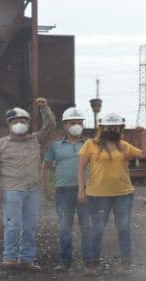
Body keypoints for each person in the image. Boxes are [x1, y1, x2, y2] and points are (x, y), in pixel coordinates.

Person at [0, 98, 56, 271]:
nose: (19, 124)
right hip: (11, 189)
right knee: (12, 224)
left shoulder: (35, 140)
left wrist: (44, 107)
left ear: (28, 123)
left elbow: (50, 125)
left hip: (32, 189)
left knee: (29, 226)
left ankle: (27, 259)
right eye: (15, 121)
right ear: (9, 125)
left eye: (23, 121)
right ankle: (9, 258)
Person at [77, 112, 146, 274]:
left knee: (123, 227)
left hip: (123, 194)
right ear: (102, 128)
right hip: (97, 194)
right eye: (109, 127)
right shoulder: (90, 145)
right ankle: (92, 264)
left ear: (121, 128)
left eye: (116, 127)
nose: (112, 129)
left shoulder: (124, 146)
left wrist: (143, 136)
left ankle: (125, 263)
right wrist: (81, 189)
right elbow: (81, 169)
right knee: (97, 228)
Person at [41, 107, 92, 272]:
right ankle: (65, 261)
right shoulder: (56, 147)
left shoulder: (90, 144)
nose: (76, 125)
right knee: (64, 227)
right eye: (72, 123)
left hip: (87, 190)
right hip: (63, 191)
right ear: (64, 125)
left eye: (79, 122)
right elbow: (45, 167)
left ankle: (90, 261)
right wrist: (46, 188)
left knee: (87, 226)